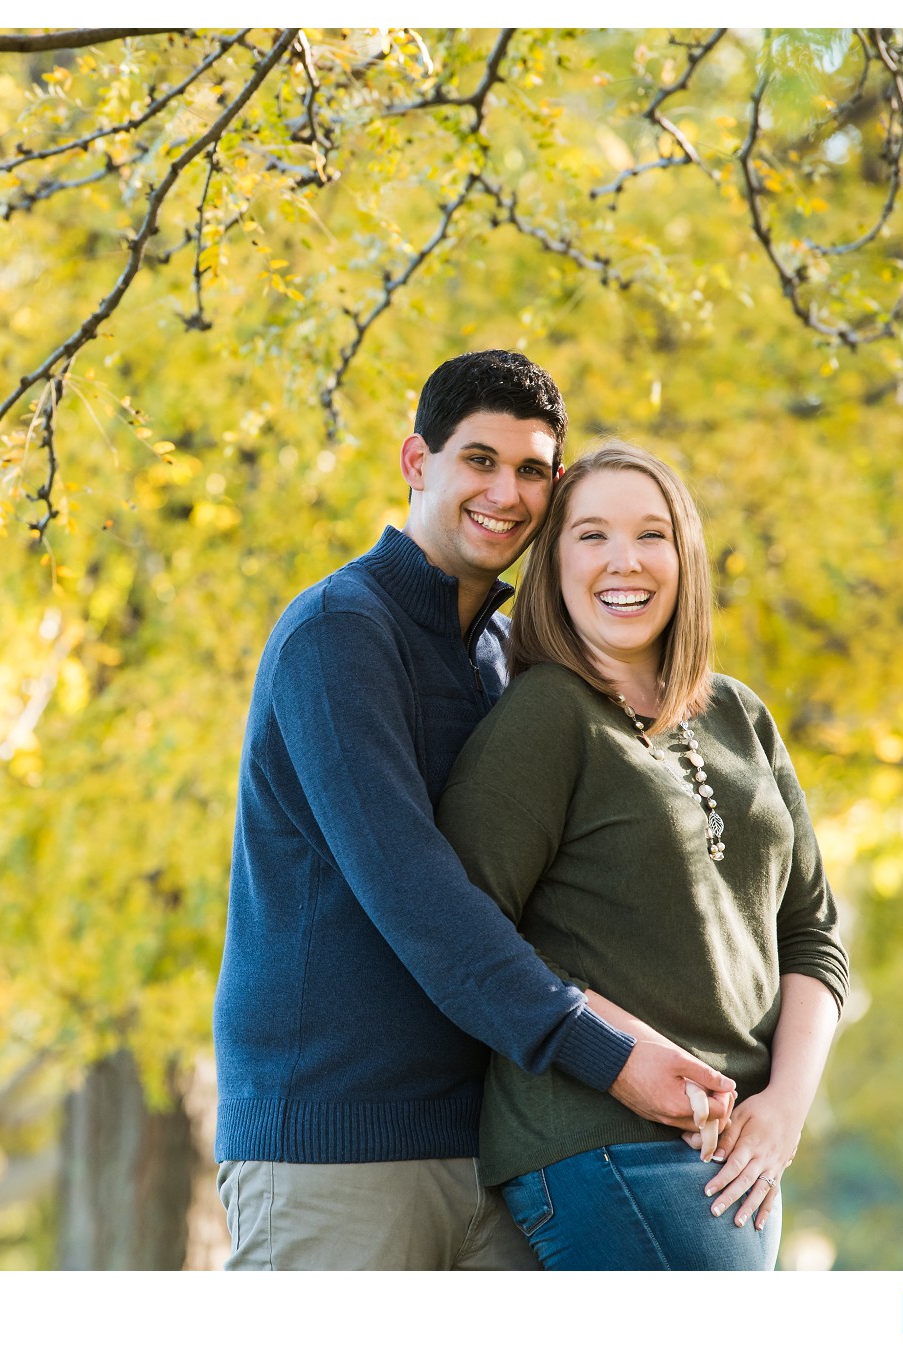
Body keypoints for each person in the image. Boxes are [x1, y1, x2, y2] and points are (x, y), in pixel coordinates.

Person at [213, 354, 735, 1270]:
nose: (507, 493)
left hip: (497, 1152)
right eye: (480, 460)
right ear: (417, 461)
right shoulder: (340, 632)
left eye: (533, 471)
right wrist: (609, 1055)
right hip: (336, 1146)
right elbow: (418, 893)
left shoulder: (507, 658)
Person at [435, 441, 849, 1270]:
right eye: (591, 535)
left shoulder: (740, 714)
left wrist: (783, 1109)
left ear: (685, 554)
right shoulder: (545, 717)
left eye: (651, 534)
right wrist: (627, 1052)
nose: (624, 561)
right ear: (553, 564)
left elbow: (814, 933)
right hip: (605, 1141)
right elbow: (468, 939)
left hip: (741, 1149)